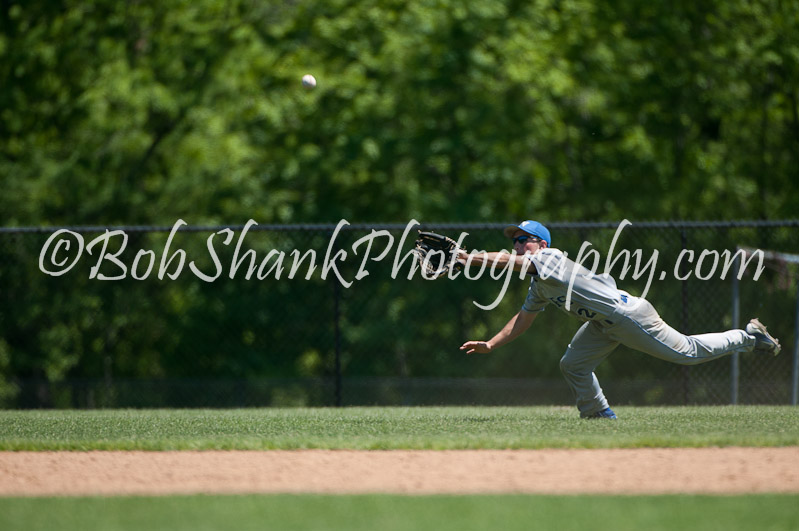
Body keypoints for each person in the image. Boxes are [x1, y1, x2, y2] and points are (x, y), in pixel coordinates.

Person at [458, 220, 781, 419]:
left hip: (627, 316)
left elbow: (508, 263)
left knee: (687, 353)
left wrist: (467, 257)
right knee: (573, 365)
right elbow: (523, 318)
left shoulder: (549, 258)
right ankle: (598, 414)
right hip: (603, 323)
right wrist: (491, 344)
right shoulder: (539, 284)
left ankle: (747, 336)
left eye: (523, 239)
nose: (516, 245)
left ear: (541, 244)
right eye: (514, 240)